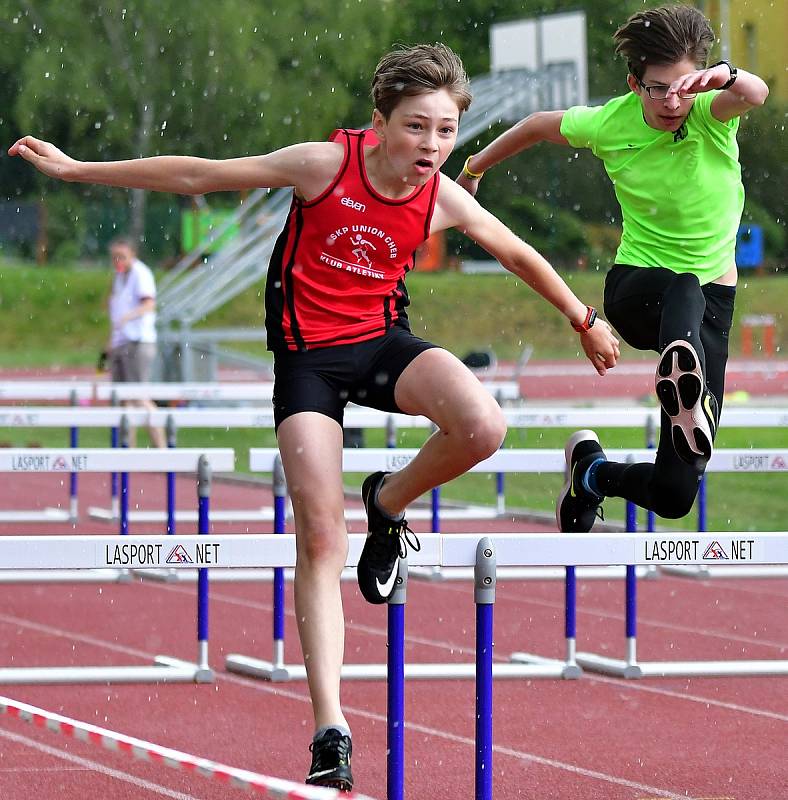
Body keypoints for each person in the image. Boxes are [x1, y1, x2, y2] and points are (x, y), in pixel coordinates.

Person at [9, 42, 619, 791]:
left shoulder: (443, 198)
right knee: (320, 534)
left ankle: (389, 500)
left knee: (484, 425)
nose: (430, 147)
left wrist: (582, 317)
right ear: (379, 121)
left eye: (445, 131)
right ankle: (330, 729)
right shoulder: (322, 166)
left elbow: (518, 254)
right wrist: (76, 171)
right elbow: (200, 174)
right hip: (307, 364)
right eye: (415, 127)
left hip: (381, 343)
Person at [457, 5, 769, 534]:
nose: (672, 101)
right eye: (657, 88)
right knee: (683, 286)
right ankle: (680, 371)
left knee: (675, 494)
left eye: (683, 87)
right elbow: (534, 126)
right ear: (633, 83)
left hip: (709, 309)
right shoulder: (608, 122)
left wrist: (726, 77)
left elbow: (755, 94)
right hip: (637, 292)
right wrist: (472, 169)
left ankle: (592, 474)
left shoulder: (711, 114)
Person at [105, 236, 166, 448]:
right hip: (122, 342)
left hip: (138, 342)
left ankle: (162, 447)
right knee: (123, 399)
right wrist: (111, 341)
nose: (117, 261)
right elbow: (115, 311)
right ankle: (127, 449)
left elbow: (149, 304)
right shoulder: (119, 276)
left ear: (132, 255)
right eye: (114, 257)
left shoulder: (141, 274)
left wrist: (128, 317)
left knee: (139, 395)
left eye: (121, 256)